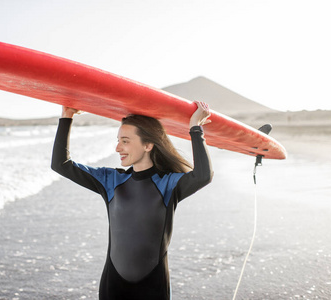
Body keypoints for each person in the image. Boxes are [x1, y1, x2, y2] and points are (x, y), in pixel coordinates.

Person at [51, 101, 213, 300]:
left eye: (125, 141)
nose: (118, 148)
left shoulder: (168, 184)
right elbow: (61, 164)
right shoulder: (111, 180)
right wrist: (67, 116)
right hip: (113, 286)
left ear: (148, 144)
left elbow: (203, 175)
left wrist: (196, 128)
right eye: (118, 140)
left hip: (153, 287)